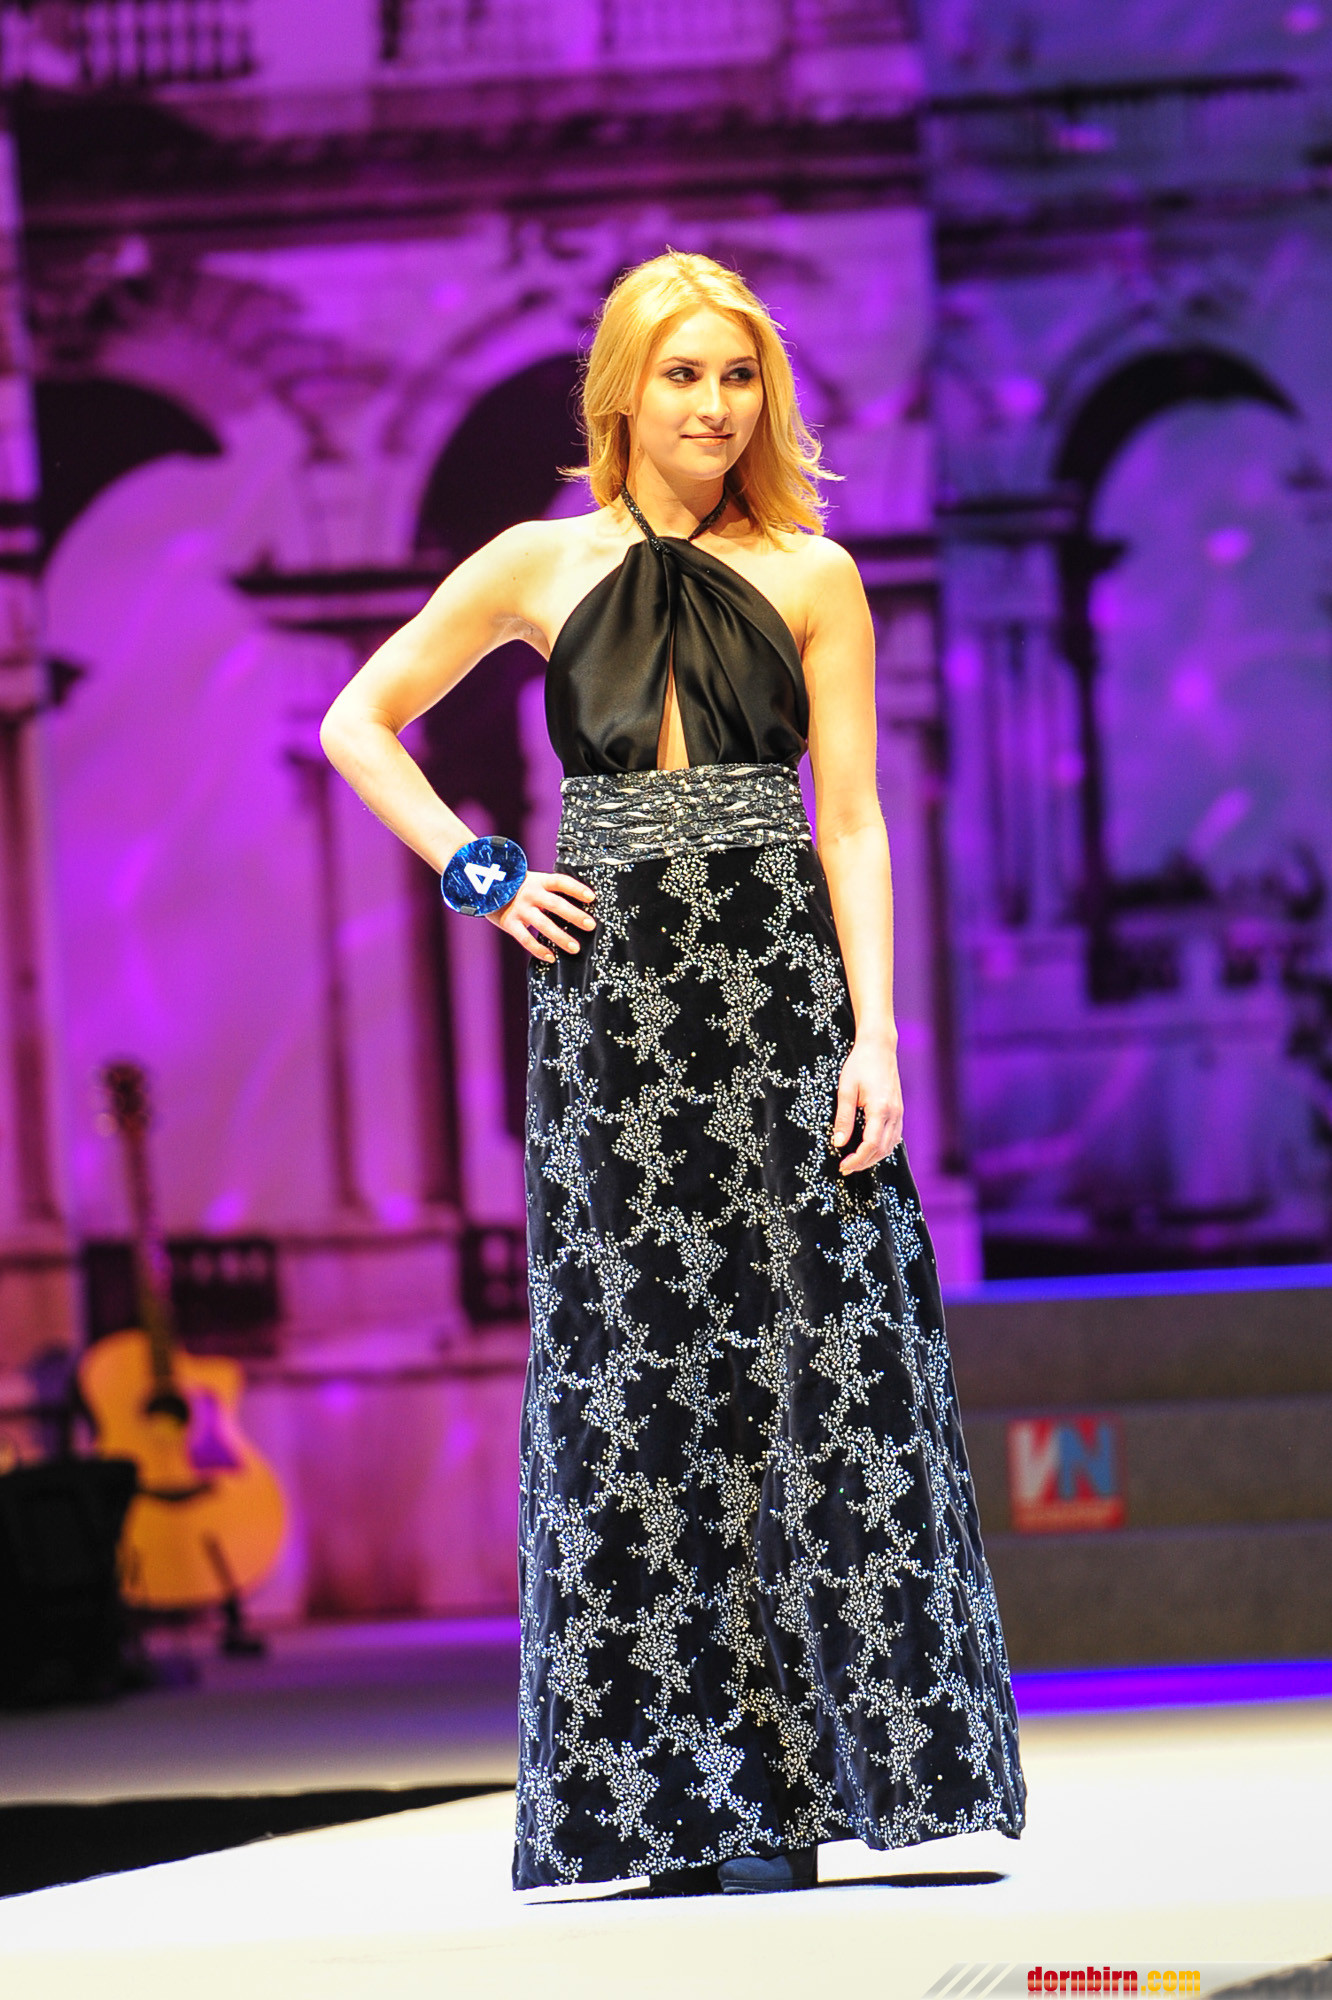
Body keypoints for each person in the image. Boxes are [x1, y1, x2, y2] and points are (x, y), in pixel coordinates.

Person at [320, 250, 1026, 1896]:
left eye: (741, 375)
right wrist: (479, 872)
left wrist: (878, 1033)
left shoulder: (815, 573)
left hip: (781, 998)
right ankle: (673, 1805)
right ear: (622, 393)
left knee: (829, 1378)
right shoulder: (537, 561)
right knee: (640, 1392)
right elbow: (359, 721)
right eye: (686, 374)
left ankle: (845, 1783)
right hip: (615, 1015)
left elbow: (853, 820)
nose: (716, 406)